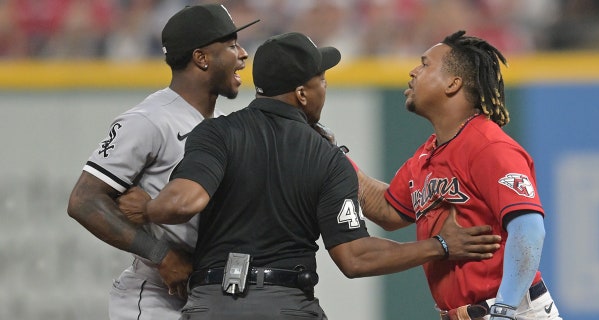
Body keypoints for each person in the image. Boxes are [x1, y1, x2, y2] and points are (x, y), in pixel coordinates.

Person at [116, 32, 502, 320]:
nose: (324, 89)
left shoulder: (215, 133)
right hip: (285, 303)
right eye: (322, 80)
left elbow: (183, 201)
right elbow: (356, 258)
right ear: (302, 94)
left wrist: (147, 209)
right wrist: (442, 246)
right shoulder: (326, 157)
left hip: (212, 303)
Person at [66, 4, 258, 320]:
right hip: (158, 298)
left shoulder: (222, 125)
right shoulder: (150, 119)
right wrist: (162, 256)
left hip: (211, 293)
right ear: (201, 57)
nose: (243, 54)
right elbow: (84, 200)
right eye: (232, 45)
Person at [355, 30, 562, 320]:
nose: (414, 71)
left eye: (425, 64)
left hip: (511, 311)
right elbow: (388, 211)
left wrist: (504, 309)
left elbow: (529, 229)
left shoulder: (488, 145)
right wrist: (331, 156)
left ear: (453, 83)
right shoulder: (426, 155)